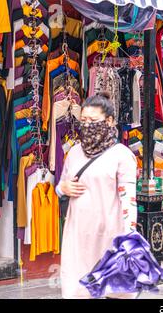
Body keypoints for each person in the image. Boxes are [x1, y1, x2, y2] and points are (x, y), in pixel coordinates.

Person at [56, 93, 138, 298]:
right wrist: (62, 188)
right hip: (77, 235)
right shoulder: (74, 152)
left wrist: (129, 237)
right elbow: (62, 185)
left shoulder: (122, 155)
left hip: (109, 234)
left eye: (93, 121)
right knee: (78, 289)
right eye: (83, 120)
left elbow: (129, 199)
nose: (87, 125)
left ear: (109, 121)